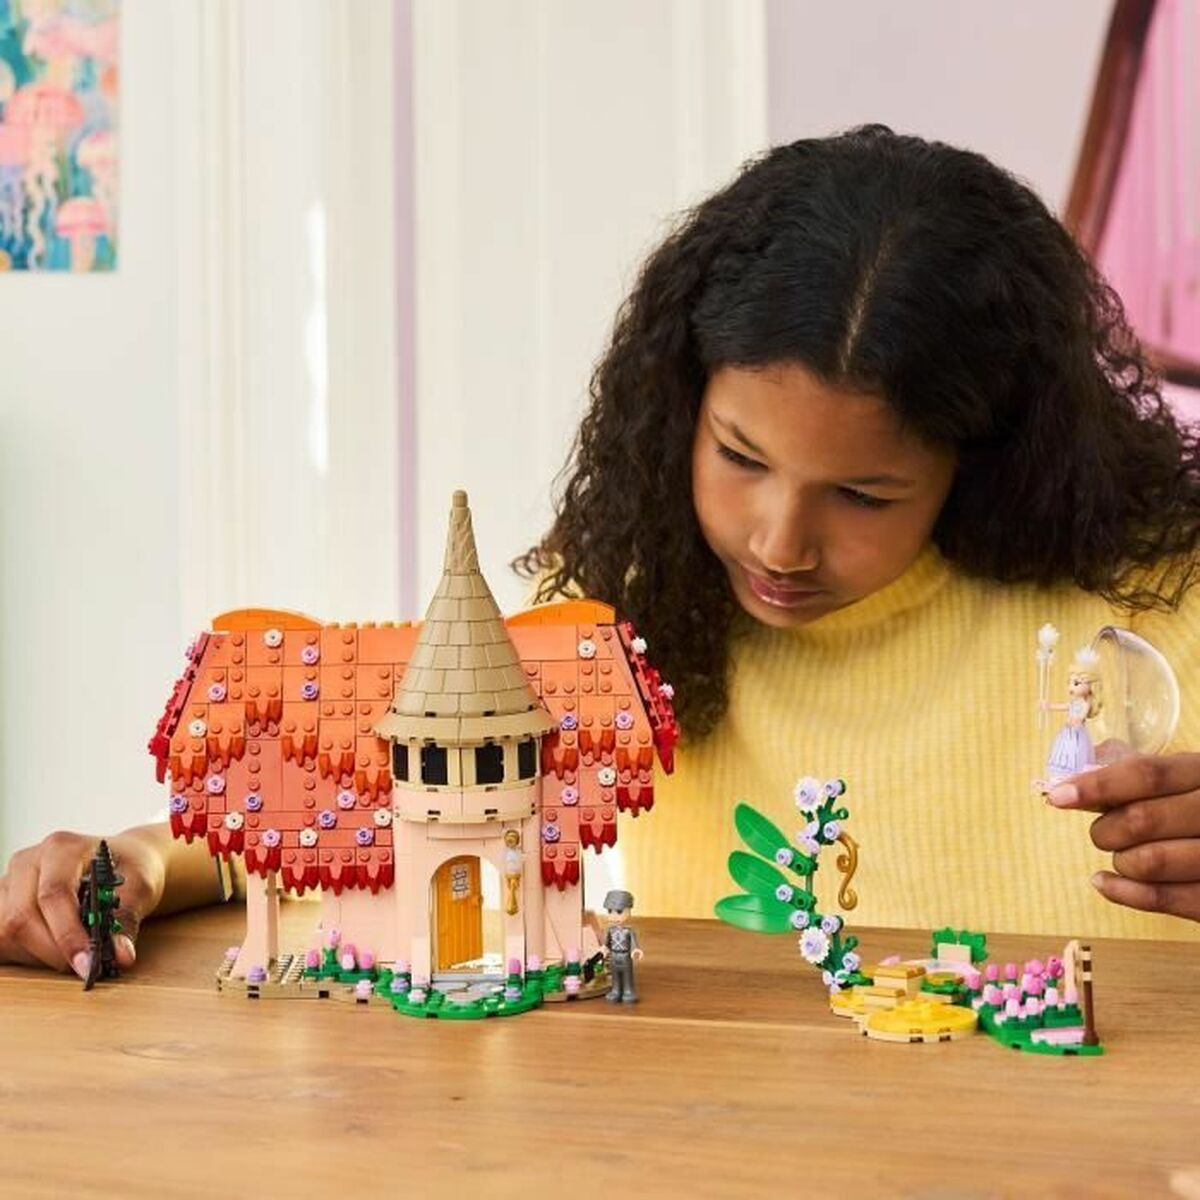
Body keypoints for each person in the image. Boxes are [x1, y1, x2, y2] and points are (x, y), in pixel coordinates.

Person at [2, 126, 1199, 982]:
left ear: (983, 463)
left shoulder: (1164, 607)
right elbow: (374, 810)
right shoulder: (615, 612)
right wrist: (135, 862)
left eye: (863, 495)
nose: (778, 542)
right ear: (681, 408)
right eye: (739, 456)